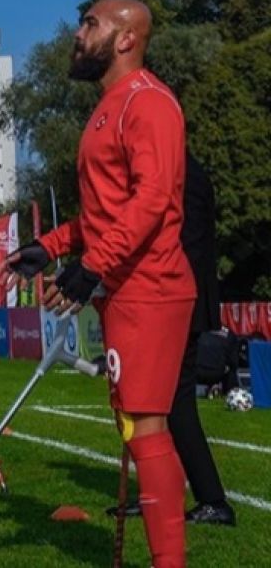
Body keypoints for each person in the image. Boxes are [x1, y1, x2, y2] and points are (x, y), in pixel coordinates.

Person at [7, 0, 192, 567]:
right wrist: (54, 245)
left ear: (126, 38)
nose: (78, 35)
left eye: (91, 25)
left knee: (143, 421)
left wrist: (92, 267)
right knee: (132, 421)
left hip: (151, 284)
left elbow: (151, 201)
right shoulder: (107, 108)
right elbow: (107, 212)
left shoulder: (149, 103)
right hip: (125, 284)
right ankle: (170, 524)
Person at [105, 152, 235, 526]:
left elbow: (183, 244)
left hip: (177, 301)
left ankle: (212, 499)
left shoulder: (179, 173)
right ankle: (159, 495)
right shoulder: (174, 169)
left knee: (174, 404)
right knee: (154, 404)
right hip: (173, 298)